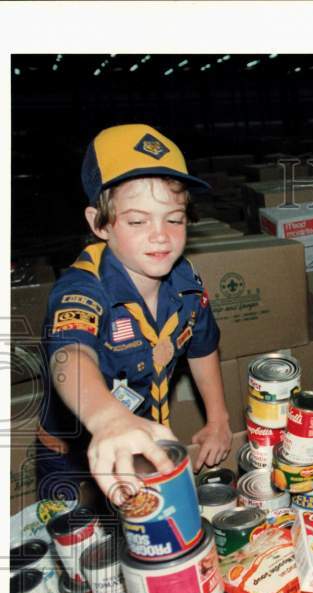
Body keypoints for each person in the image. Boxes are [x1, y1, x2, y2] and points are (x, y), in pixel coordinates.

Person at [37, 123, 232, 505]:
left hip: (143, 439)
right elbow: (69, 354)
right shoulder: (82, 290)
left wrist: (218, 418)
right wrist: (108, 419)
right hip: (80, 457)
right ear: (99, 223)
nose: (160, 235)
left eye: (174, 219)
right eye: (138, 221)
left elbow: (202, 345)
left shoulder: (185, 279)